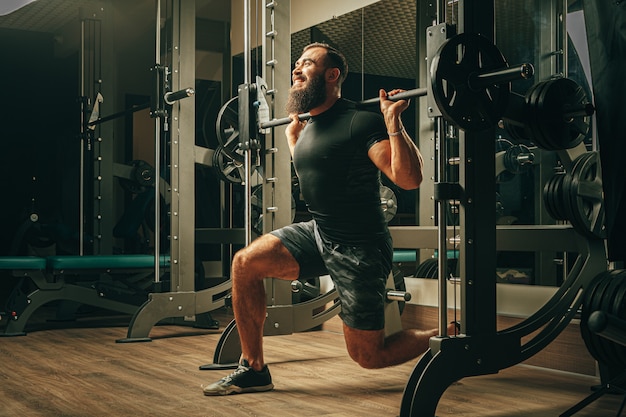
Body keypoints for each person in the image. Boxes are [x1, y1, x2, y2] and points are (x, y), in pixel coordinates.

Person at [202, 42, 456, 396]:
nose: (296, 69)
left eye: (306, 63)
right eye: (296, 64)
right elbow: (322, 170)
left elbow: (409, 179)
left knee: (369, 355)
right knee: (245, 263)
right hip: (319, 233)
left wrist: (393, 121)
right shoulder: (307, 129)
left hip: (360, 247)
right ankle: (254, 369)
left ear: (331, 74)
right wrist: (294, 143)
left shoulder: (360, 121)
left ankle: (448, 334)